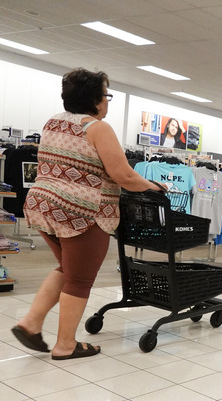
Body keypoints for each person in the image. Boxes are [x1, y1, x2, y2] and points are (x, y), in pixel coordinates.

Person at [12, 68, 165, 361]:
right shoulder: (97, 128)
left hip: (44, 205)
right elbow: (123, 176)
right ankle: (65, 345)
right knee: (79, 280)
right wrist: (154, 186)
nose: (107, 102)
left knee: (68, 270)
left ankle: (30, 323)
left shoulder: (53, 122)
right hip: (82, 213)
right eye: (106, 95)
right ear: (96, 100)